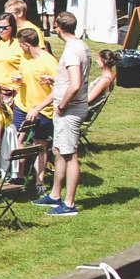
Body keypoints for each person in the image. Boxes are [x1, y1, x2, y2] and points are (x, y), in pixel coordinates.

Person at [38, 11, 90, 217]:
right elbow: (72, 79)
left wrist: (62, 105)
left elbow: (76, 84)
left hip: (69, 109)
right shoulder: (82, 46)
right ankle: (55, 195)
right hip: (71, 106)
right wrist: (56, 81)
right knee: (59, 151)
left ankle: (69, 204)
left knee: (69, 155)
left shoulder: (71, 51)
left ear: (57, 28)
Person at [14, 27, 57, 186]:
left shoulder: (49, 62)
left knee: (40, 145)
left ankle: (39, 182)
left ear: (27, 44)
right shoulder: (24, 57)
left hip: (42, 110)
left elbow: (56, 92)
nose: (19, 47)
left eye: (20, 44)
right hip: (22, 105)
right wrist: (18, 80)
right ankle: (18, 176)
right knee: (18, 140)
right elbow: (23, 74)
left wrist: (37, 108)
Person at [0, 14, 24, 93]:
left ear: (12, 27)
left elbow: (26, 66)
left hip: (12, 90)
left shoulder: (19, 44)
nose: (1, 30)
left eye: (4, 28)